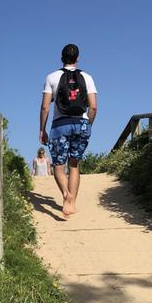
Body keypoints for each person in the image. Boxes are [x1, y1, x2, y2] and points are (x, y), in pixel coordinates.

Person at [39, 44, 97, 216]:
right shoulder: (87, 77)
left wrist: (42, 129)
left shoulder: (52, 77)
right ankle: (72, 202)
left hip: (60, 125)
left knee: (58, 165)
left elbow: (44, 107)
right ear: (77, 58)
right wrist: (87, 126)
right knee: (74, 164)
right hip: (81, 124)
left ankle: (66, 195)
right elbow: (93, 107)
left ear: (61, 57)